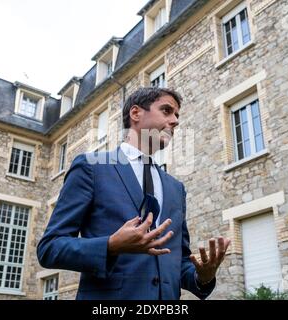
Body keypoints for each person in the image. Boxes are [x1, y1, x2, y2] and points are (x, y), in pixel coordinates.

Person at [37, 87, 230, 300]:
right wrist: (110, 245)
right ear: (136, 113)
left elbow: (177, 262)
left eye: (177, 115)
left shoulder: (176, 188)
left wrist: (202, 276)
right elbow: (50, 248)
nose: (175, 121)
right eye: (167, 111)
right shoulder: (91, 168)